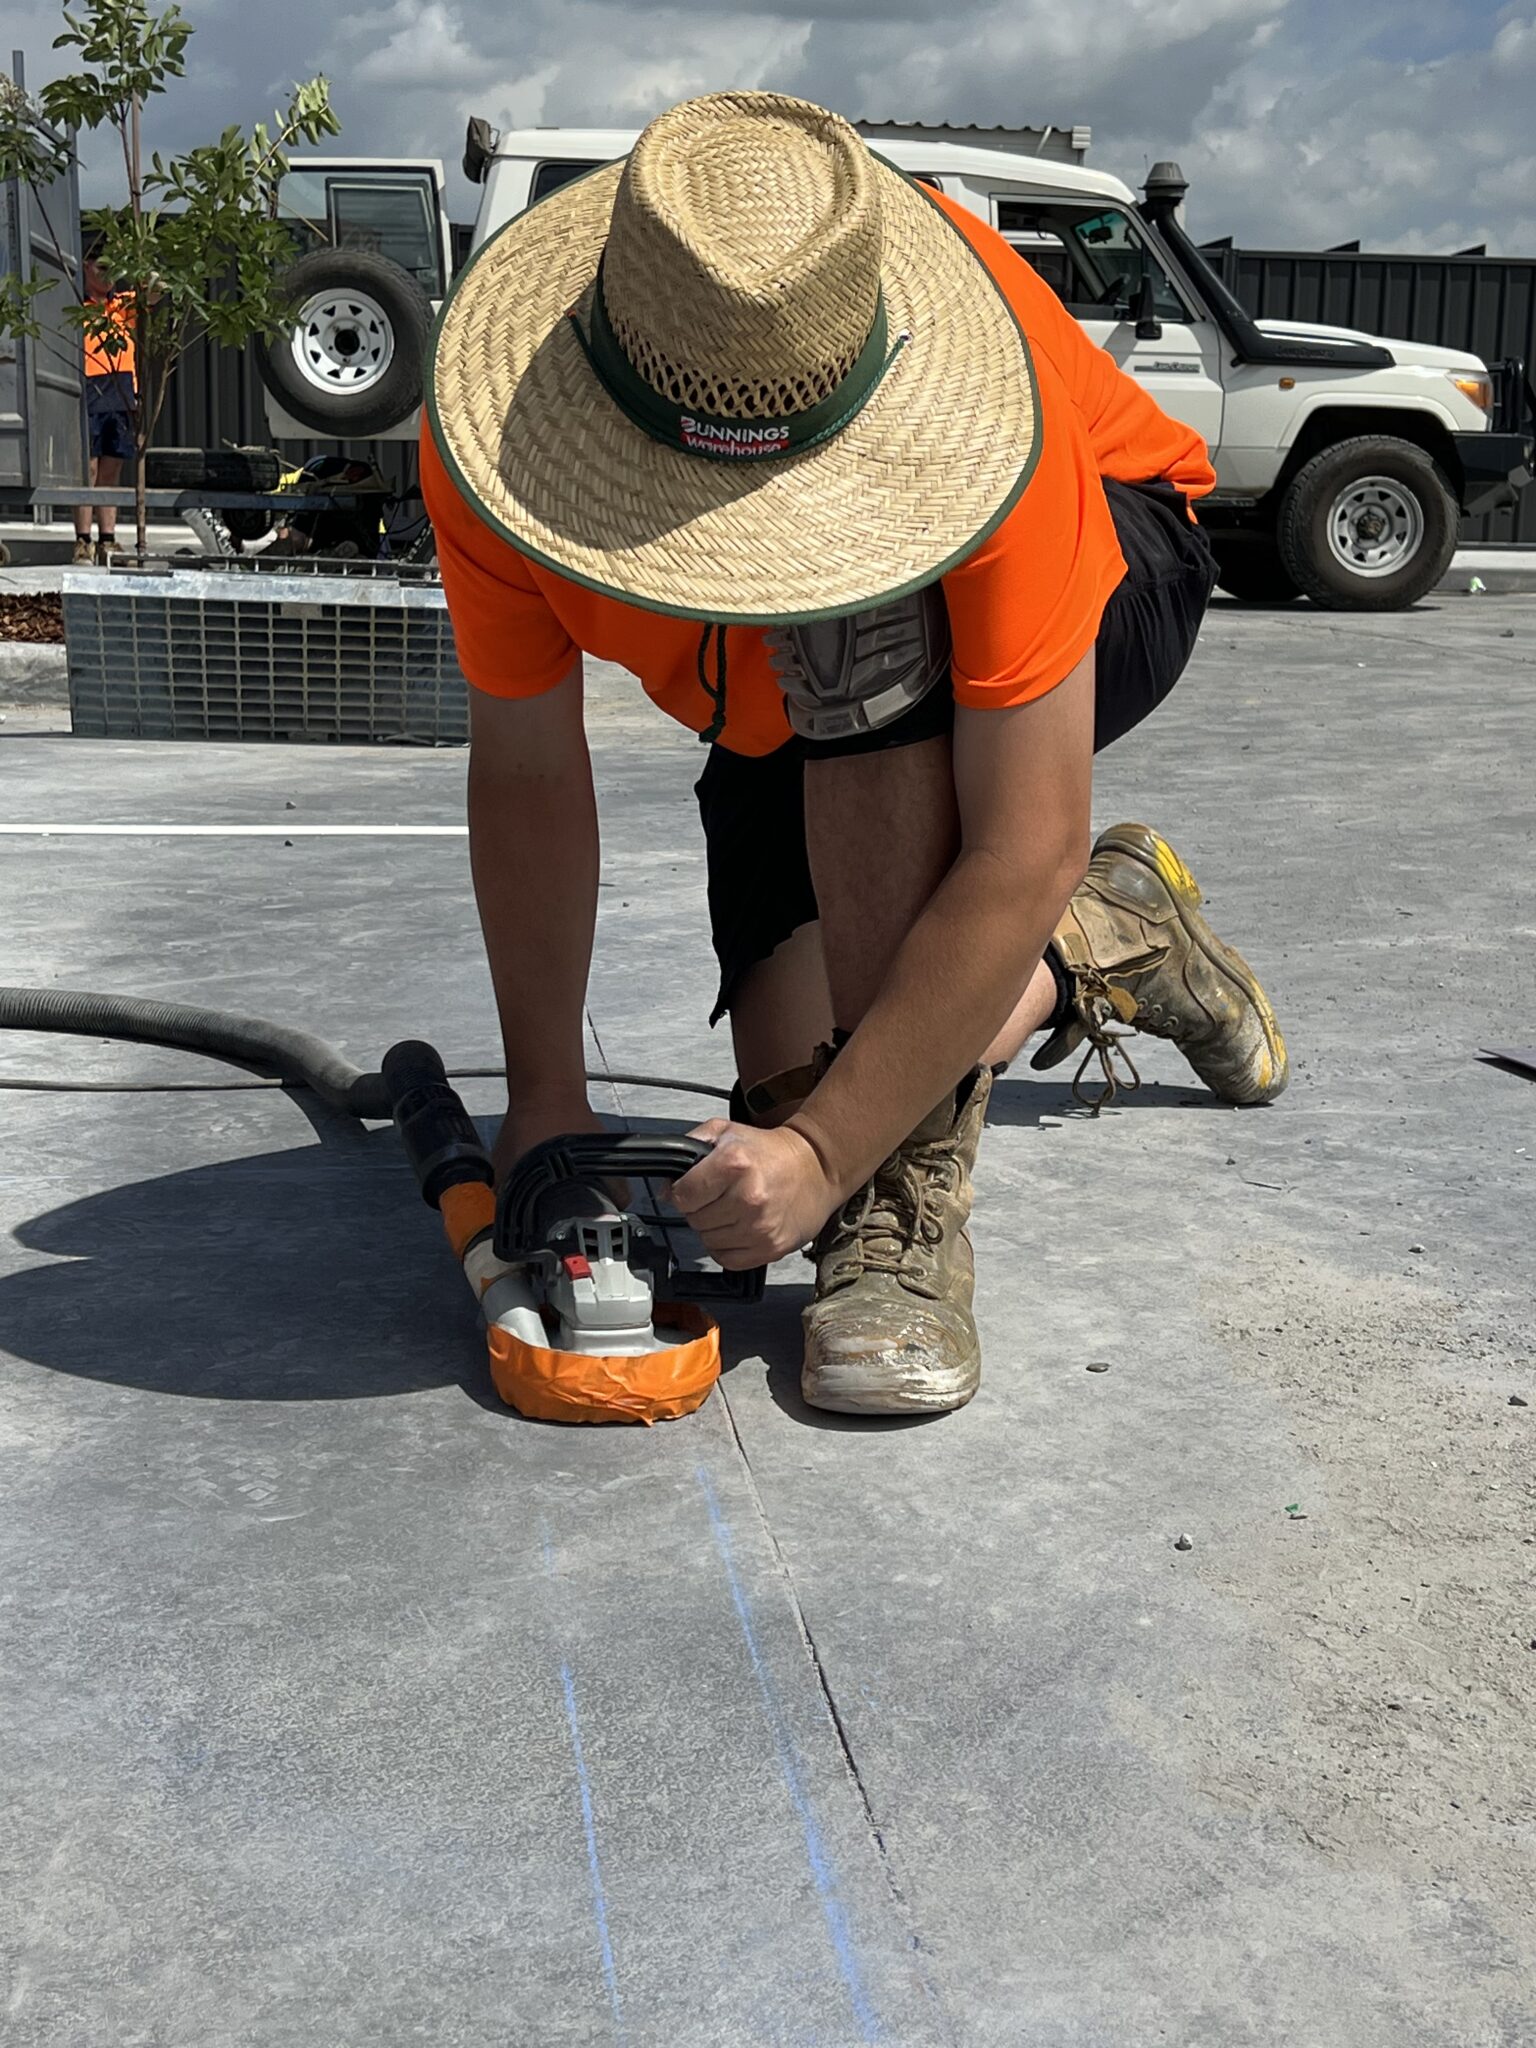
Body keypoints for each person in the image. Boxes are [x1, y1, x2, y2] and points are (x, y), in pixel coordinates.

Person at [421, 92, 1289, 1417]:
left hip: (1119, 548)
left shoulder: (996, 429)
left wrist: (833, 1157)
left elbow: (1024, 838)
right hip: (779, 700)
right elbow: (530, 771)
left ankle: (899, 1221)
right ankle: (1117, 931)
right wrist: (545, 1101)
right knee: (792, 1076)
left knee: (843, 1090)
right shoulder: (493, 438)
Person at [73, 257, 136, 567]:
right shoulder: (76, 305)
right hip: (88, 388)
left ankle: (107, 540)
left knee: (112, 470)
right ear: (86, 266)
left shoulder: (124, 304)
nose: (109, 276)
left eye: (114, 269)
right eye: (102, 268)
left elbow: (154, 295)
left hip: (120, 390)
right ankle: (83, 541)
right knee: (87, 470)